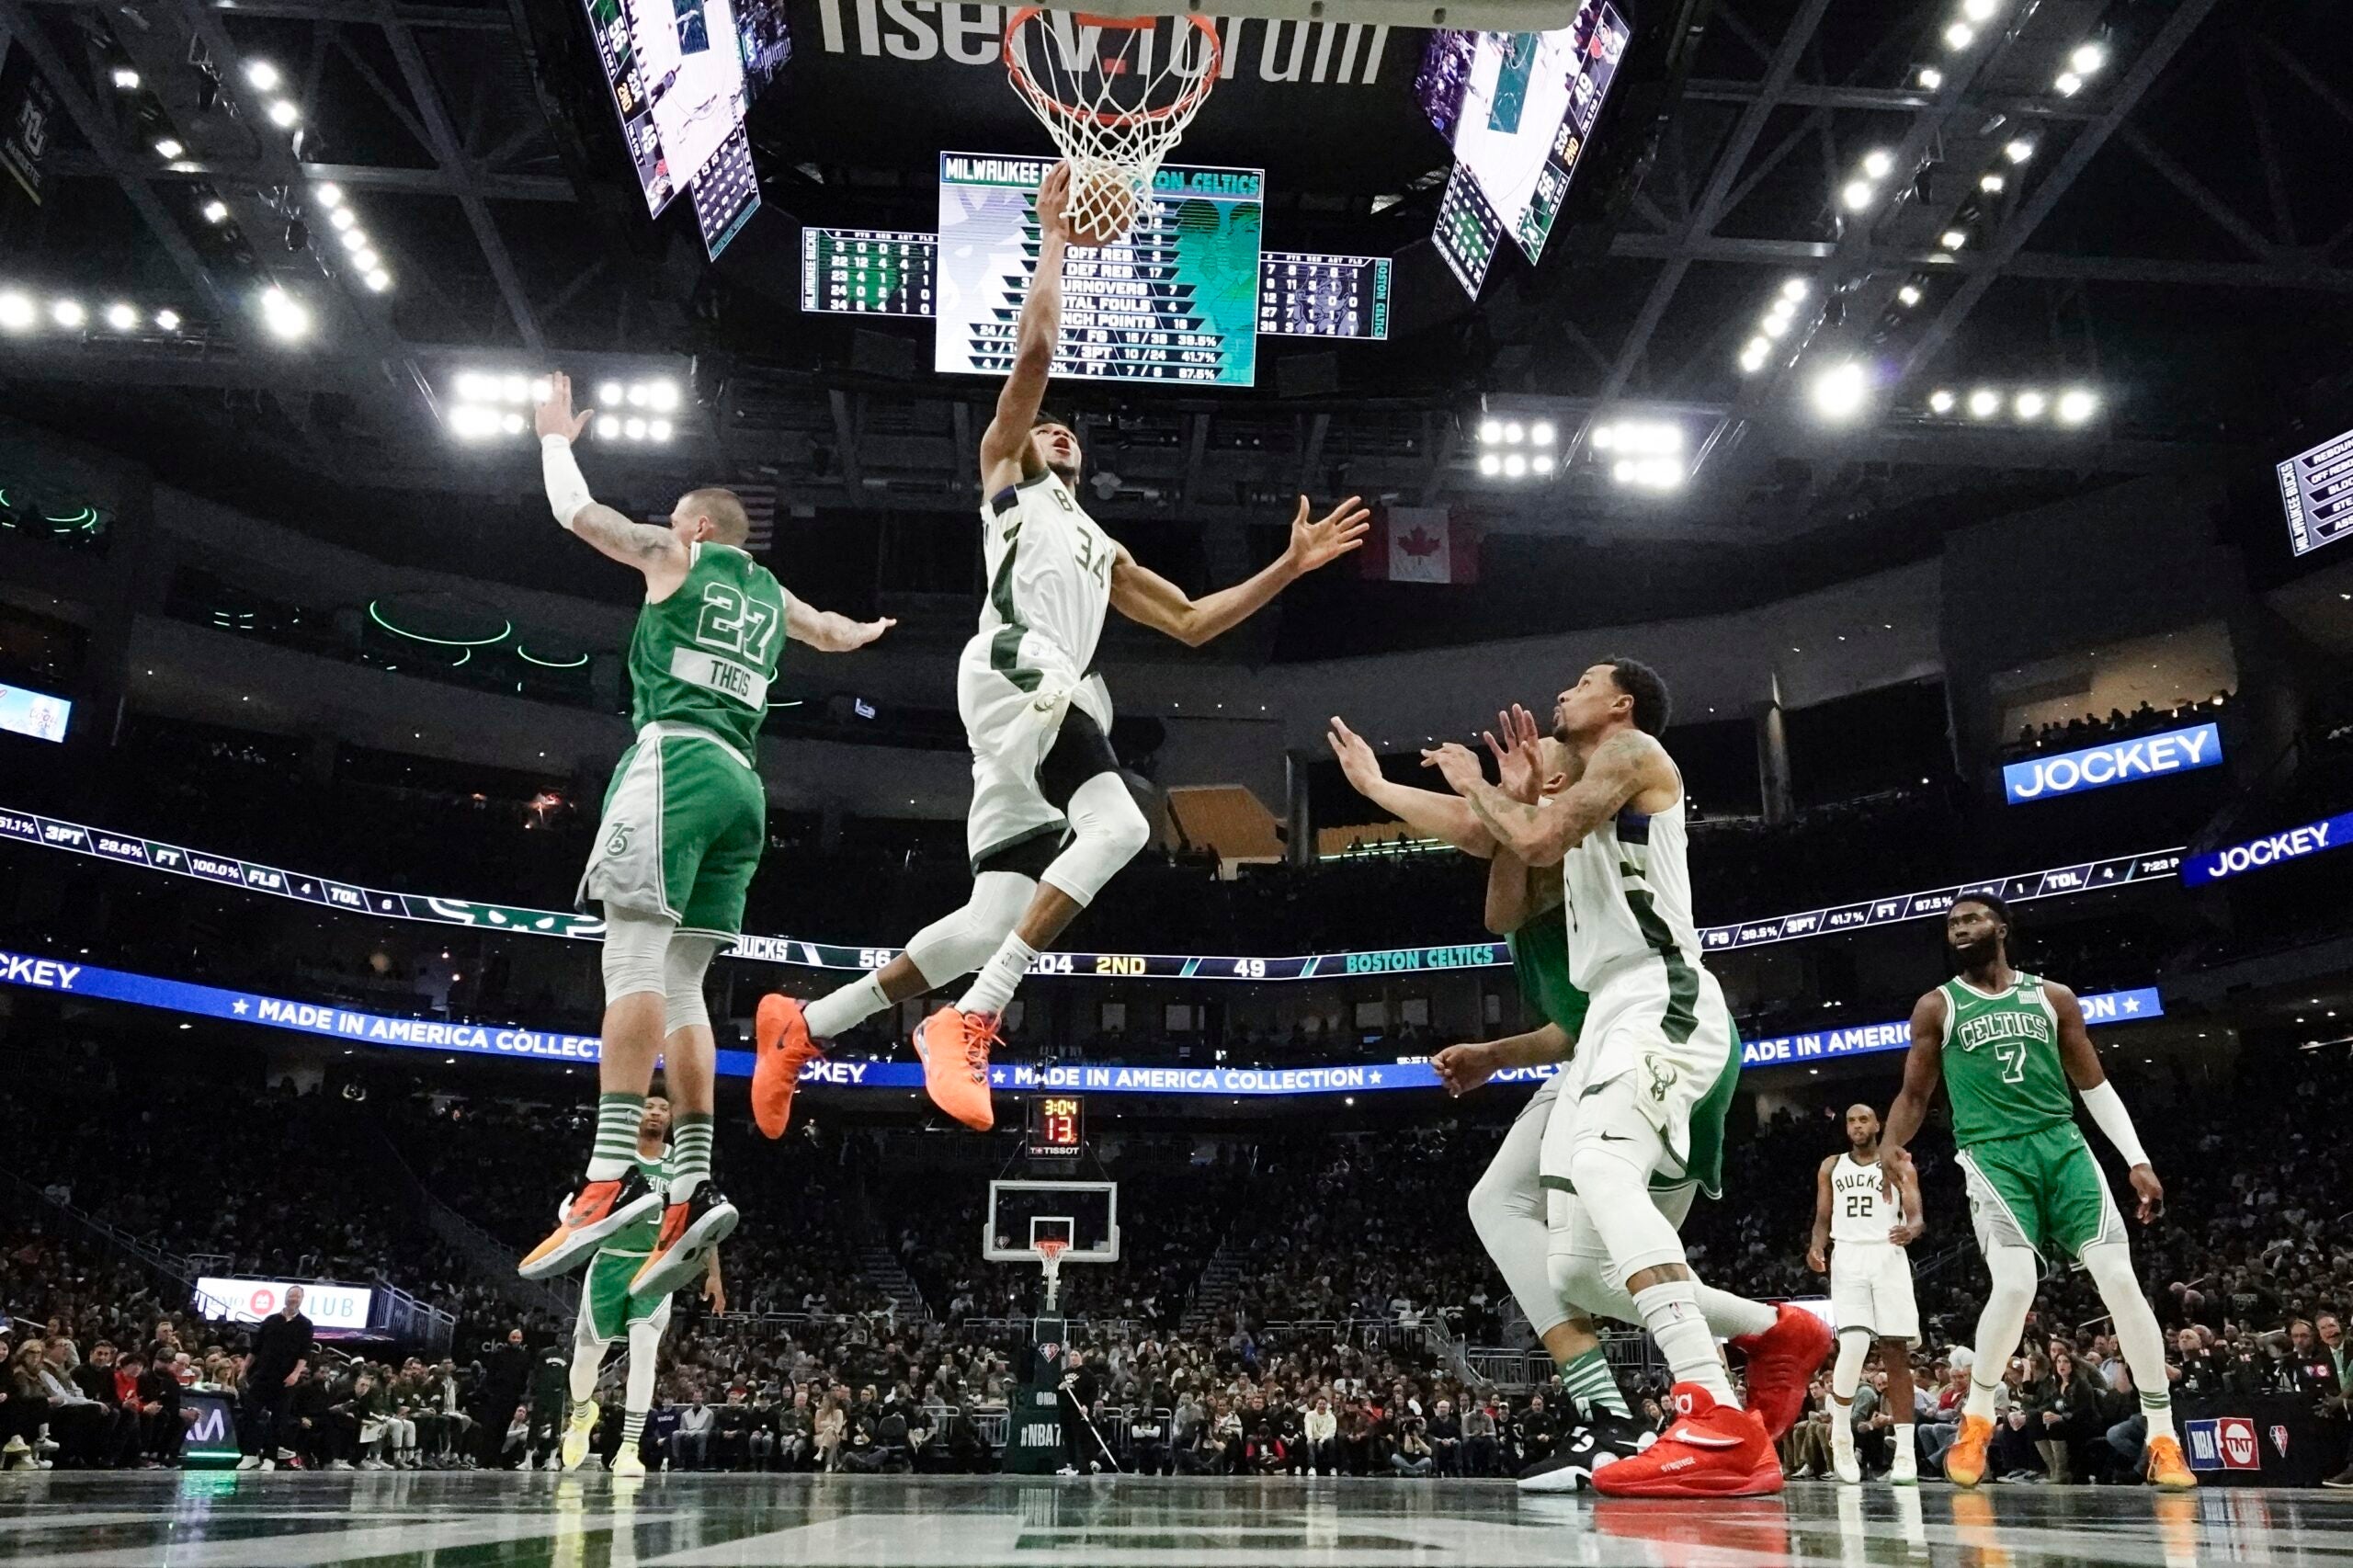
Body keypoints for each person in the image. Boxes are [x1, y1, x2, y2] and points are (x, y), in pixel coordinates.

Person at [753, 160, 1369, 1138]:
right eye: (1047, 425)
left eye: (1069, 431)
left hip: (1037, 704)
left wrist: (1288, 566)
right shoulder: (1008, 477)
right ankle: (971, 1016)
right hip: (1019, 667)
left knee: (988, 919)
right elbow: (1034, 356)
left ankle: (805, 1022)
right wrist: (1055, 247)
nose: (1058, 429)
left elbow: (1197, 622)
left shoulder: (1103, 543)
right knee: (1124, 825)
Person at [519, 370, 893, 1297]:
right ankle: (689, 1182)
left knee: (633, 961)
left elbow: (579, 515)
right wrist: (870, 628)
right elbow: (835, 634)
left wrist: (553, 439)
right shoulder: (771, 597)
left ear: (694, 529)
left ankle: (608, 1175)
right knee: (686, 981)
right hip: (744, 787)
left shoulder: (673, 557)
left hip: (676, 762)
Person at [1423, 664, 1828, 1496]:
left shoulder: (1635, 752)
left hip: (1660, 991)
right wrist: (1501, 794)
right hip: (1608, 1016)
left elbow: (1526, 838)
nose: (1561, 691)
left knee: (1603, 1171)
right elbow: (1503, 867)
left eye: (1581, 682)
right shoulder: (1576, 792)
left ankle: (1712, 1415)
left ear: (1622, 704)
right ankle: (1776, 1331)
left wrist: (1481, 786)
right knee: (1575, 1273)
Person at [1336, 710, 1761, 1493]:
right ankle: (1619, 1408)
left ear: (1563, 783)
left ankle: (1734, 1376)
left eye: (1538, 762)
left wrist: (1494, 794)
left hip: (1657, 1031)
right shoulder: (1537, 826)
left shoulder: (1574, 832)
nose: (1520, 769)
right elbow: (1488, 856)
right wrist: (1376, 785)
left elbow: (1506, 882)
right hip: (1603, 1040)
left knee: (1597, 1248)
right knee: (1533, 1232)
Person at [1881, 892, 2196, 1491]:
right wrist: (1892, 1150)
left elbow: (2094, 1085)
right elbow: (1915, 1096)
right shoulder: (1937, 1007)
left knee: (2121, 1280)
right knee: (2018, 1282)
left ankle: (2163, 1435)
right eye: (1951, 924)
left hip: (2063, 1146)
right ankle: (1975, 1422)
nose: (1960, 929)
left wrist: (2137, 1159)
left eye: (1972, 918)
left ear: (2001, 926)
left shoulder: (2053, 998)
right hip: (1992, 1156)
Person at [558, 1093, 722, 1475]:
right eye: (650, 1106)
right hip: (610, 1262)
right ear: (637, 1114)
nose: (656, 1112)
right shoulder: (615, 1158)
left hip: (654, 1265)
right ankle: (582, 1415)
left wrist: (713, 1274)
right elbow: (587, 1206)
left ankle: (629, 1449)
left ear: (671, 1118)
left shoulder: (682, 1165)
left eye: (665, 1107)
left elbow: (701, 1222)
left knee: (645, 1352)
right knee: (587, 1354)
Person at [1807, 1102, 1924, 1485]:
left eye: (1863, 1120)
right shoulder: (1830, 1166)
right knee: (1854, 1344)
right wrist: (1816, 1245)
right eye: (1850, 1120)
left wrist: (1912, 1229)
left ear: (1878, 1125)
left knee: (1895, 1351)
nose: (1856, 1126)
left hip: (1888, 1254)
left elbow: (1916, 1214)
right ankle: (1840, 1432)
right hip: (1849, 1255)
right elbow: (1823, 1216)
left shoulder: (1899, 1161)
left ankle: (1905, 1454)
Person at [236, 1285, 313, 1471]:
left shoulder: (305, 1324)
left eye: (297, 1297)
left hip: (285, 1380)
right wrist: (244, 1370)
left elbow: (304, 1354)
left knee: (279, 1420)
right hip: (262, 1375)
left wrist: (295, 1374)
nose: (293, 1299)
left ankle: (270, 1458)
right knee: (250, 1413)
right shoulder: (270, 1321)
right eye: (291, 1296)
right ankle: (250, 1454)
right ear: (285, 1297)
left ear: (301, 1300)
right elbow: (255, 1348)